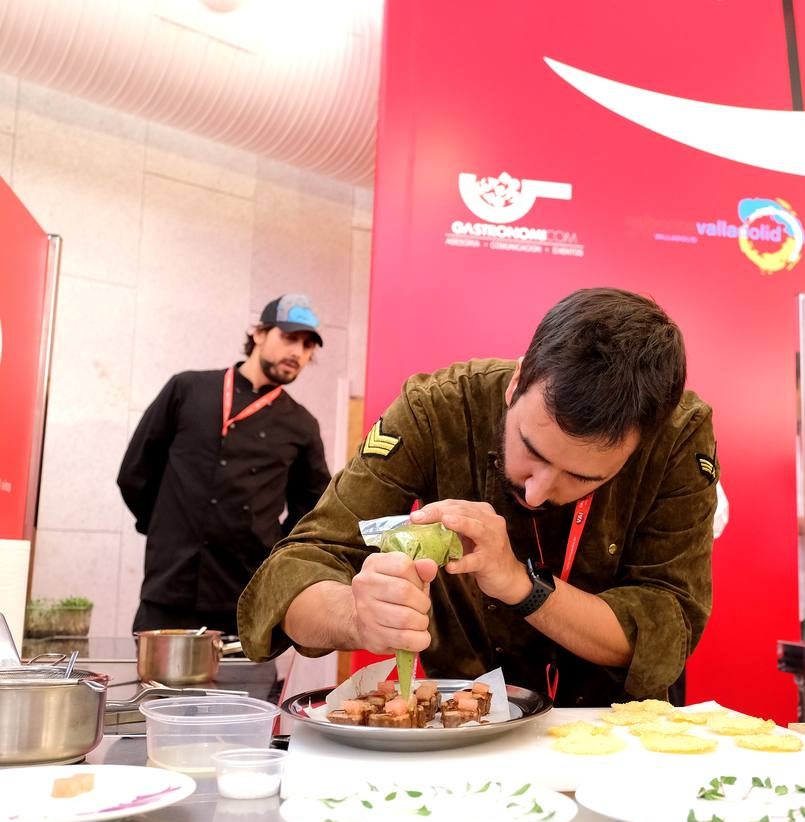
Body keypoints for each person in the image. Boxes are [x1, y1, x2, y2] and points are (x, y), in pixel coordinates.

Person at [238, 287, 719, 705]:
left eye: (581, 477)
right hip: (466, 726)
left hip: (614, 732)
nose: (537, 491)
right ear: (517, 381)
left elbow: (666, 624)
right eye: (532, 451)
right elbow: (298, 564)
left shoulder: (678, 436)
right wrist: (355, 616)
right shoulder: (438, 408)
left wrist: (521, 585)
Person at [118, 294, 331, 637]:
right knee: (155, 690)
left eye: (308, 346)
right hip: (169, 587)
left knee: (249, 691)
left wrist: (272, 551)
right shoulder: (187, 389)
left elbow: (313, 511)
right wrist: (163, 528)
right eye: (289, 338)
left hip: (245, 597)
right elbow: (135, 473)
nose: (298, 353)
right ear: (259, 334)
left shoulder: (302, 425)